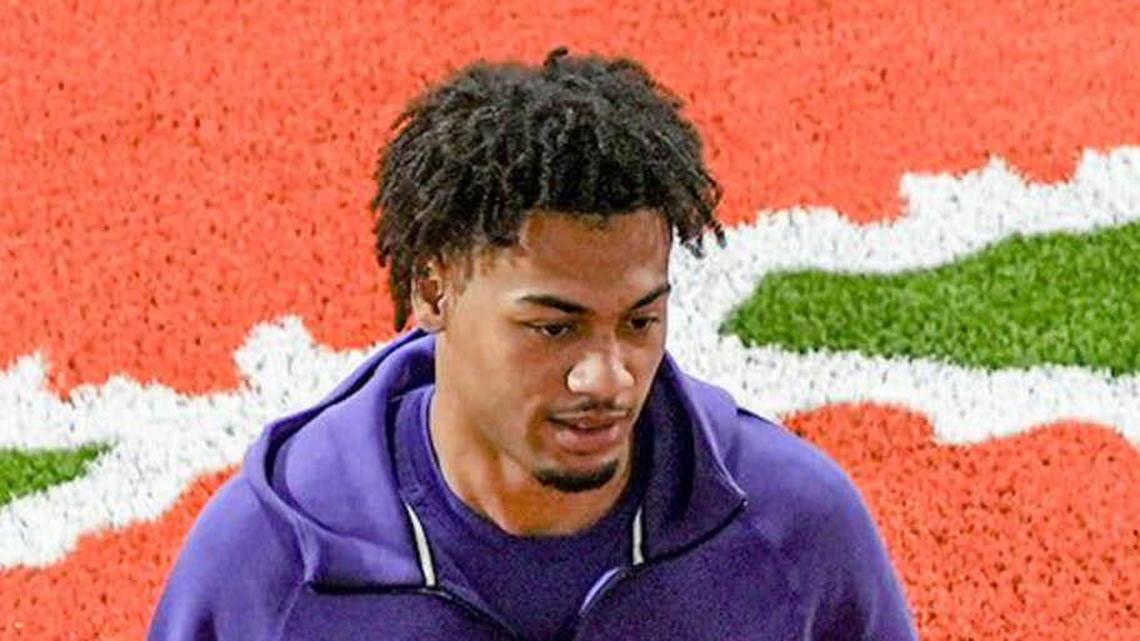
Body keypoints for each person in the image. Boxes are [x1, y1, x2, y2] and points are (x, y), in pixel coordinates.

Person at [147, 47, 920, 641]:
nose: (608, 376)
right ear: (431, 288)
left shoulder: (793, 528)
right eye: (555, 328)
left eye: (640, 321)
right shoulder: (270, 566)